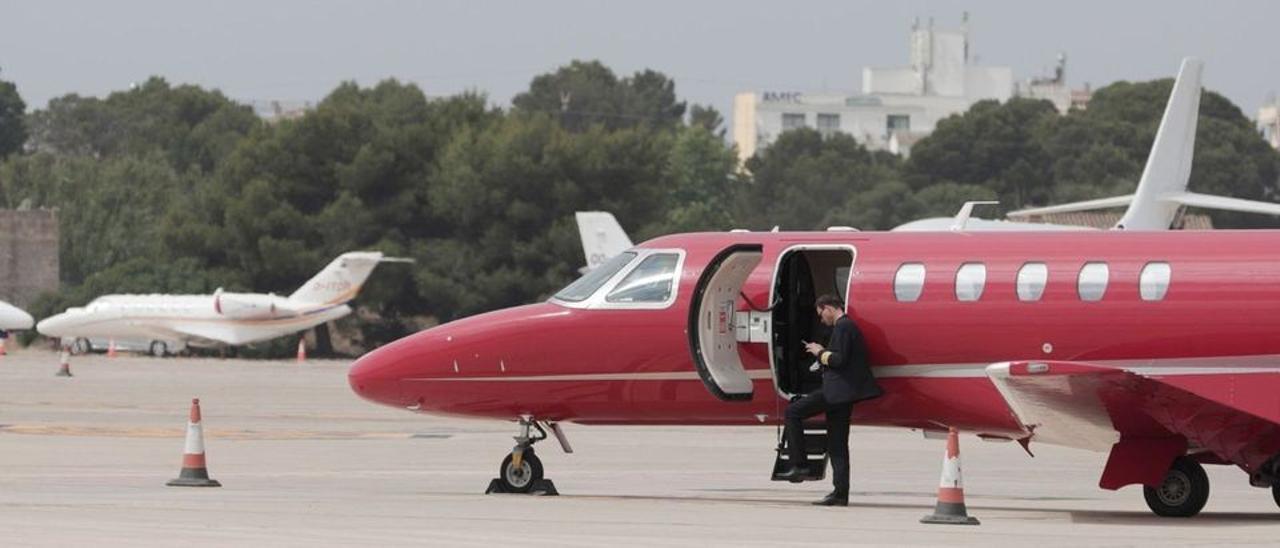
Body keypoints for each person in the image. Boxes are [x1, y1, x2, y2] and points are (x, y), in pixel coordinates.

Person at [776, 294, 884, 506]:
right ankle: (840, 493)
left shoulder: (843, 327)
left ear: (828, 308)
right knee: (837, 445)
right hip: (844, 394)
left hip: (836, 392)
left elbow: (838, 359)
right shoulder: (847, 327)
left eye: (821, 314)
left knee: (793, 412)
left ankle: (800, 465)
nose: (821, 319)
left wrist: (819, 352)